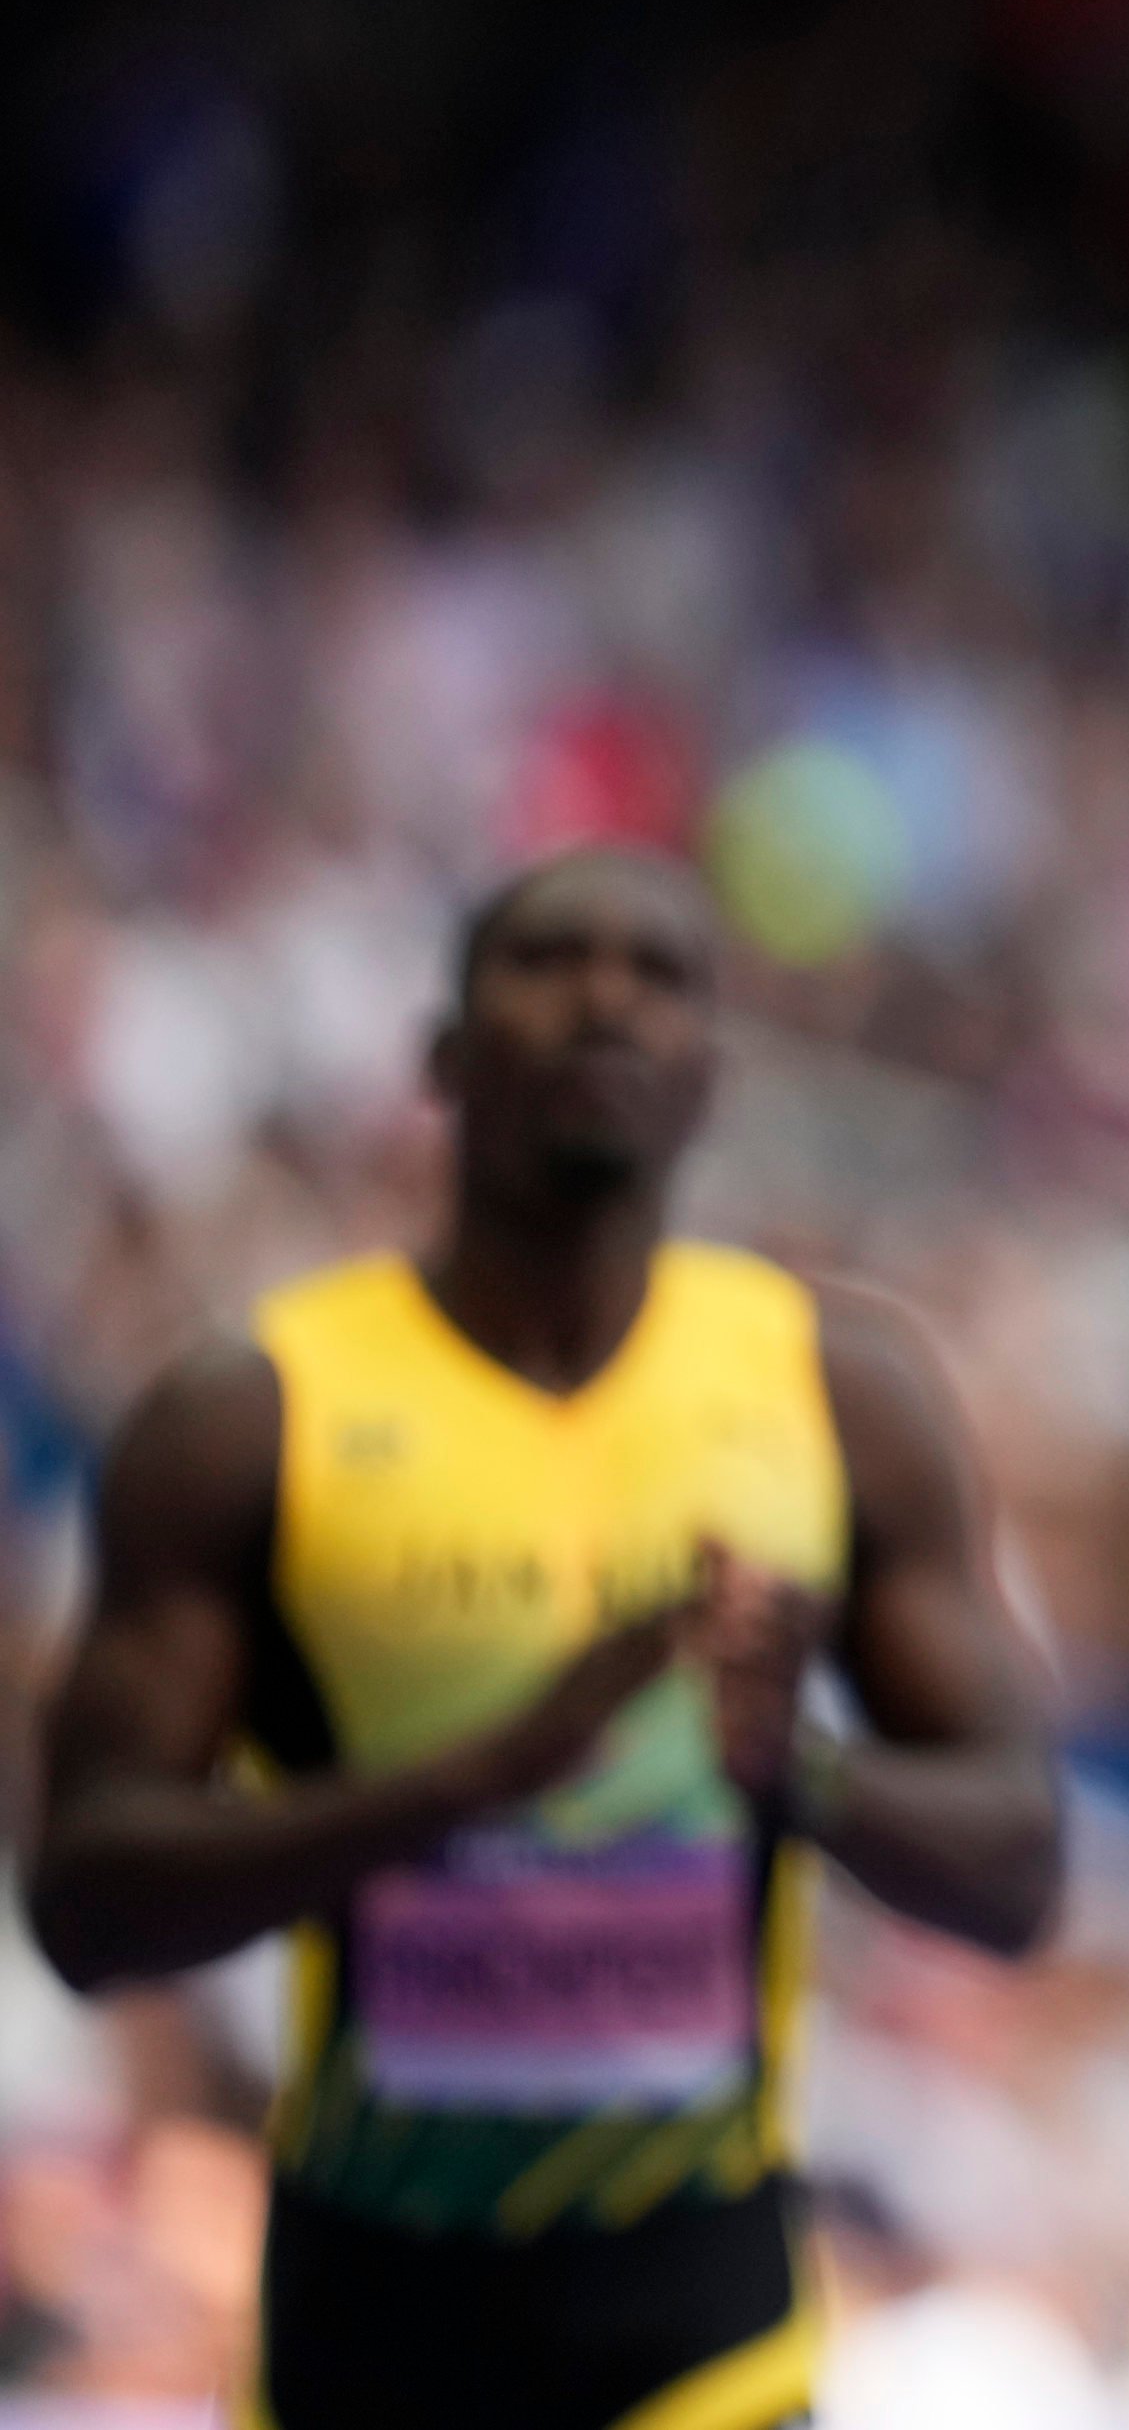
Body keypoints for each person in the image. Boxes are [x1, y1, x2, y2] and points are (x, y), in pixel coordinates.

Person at [27, 846, 1064, 2430]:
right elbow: (88, 1903)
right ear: (444, 1055)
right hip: (369, 2322)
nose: (603, 999)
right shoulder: (254, 1413)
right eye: (547, 960)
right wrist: (467, 1781)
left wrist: (803, 1775)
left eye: (658, 975)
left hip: (706, 2329)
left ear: (709, 1071)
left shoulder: (839, 1394)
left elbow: (1018, 1872)